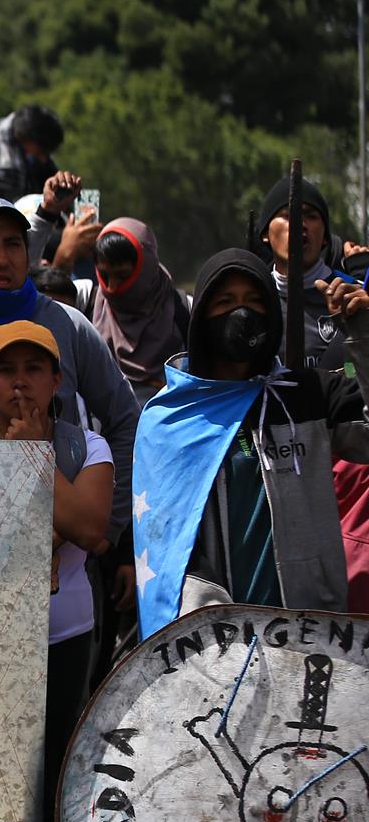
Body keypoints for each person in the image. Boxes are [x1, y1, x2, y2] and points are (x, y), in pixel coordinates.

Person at [132, 249, 369, 632]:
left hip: (308, 634)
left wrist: (365, 336)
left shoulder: (305, 395)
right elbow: (168, 544)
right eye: (225, 302)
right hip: (214, 644)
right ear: (201, 317)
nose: (242, 313)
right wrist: (216, 632)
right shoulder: (172, 416)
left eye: (255, 300)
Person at [0, 320, 113, 822]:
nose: (21, 383)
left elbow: (90, 527)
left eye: (35, 370)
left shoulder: (85, 446)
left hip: (62, 637)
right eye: (8, 371)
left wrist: (33, 455)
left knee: (55, 777)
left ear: (58, 381)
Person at [0, 197, 139, 539]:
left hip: (65, 561)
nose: (2, 258)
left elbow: (125, 419)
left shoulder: (68, 325)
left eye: (13, 244)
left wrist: (113, 529)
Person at [91, 219, 189, 405]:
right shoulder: (87, 303)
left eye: (123, 276)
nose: (111, 288)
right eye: (104, 275)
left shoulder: (184, 310)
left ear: (146, 268)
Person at [253, 174, 346, 371]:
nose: (299, 224)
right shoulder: (251, 296)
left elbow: (356, 374)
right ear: (264, 234)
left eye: (311, 216)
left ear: (325, 239)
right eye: (287, 215)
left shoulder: (350, 294)